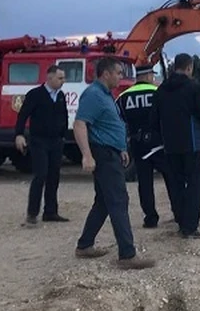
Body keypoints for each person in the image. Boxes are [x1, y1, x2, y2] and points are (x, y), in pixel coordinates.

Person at [73, 56, 155, 269]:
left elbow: (110, 125)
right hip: (102, 155)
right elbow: (80, 124)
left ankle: (84, 245)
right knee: (118, 200)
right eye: (118, 73)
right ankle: (127, 255)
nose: (121, 77)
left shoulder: (107, 95)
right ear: (106, 73)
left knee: (103, 202)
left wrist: (121, 149)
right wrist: (87, 155)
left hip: (112, 152)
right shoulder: (93, 95)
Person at [150, 53, 200, 239]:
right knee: (194, 186)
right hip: (192, 143)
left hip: (170, 145)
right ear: (189, 68)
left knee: (176, 185)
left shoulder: (161, 89)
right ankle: (190, 227)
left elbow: (153, 120)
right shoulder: (194, 87)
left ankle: (180, 221)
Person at [117, 64, 179, 228]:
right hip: (159, 143)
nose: (153, 77)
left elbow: (119, 122)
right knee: (171, 178)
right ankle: (178, 212)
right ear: (147, 76)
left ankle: (150, 218)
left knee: (144, 183)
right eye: (152, 75)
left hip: (137, 144)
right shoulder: (158, 92)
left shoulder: (123, 97)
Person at [14, 64, 69, 225]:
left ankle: (51, 212)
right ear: (50, 78)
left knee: (54, 176)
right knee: (41, 175)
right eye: (60, 78)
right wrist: (19, 134)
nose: (63, 81)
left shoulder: (60, 96)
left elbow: (64, 117)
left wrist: (63, 135)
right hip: (39, 141)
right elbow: (23, 115)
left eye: (63, 78)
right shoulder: (35, 94)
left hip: (56, 141)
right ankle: (32, 213)